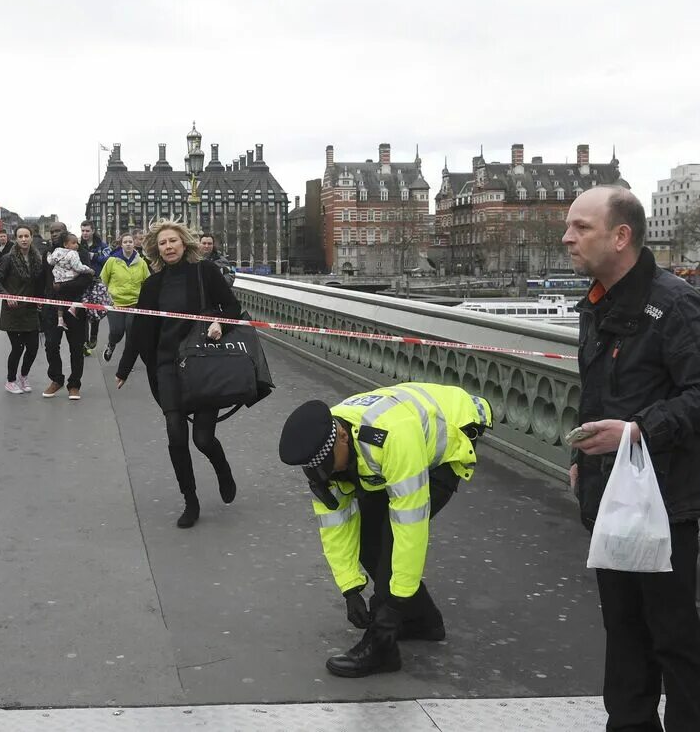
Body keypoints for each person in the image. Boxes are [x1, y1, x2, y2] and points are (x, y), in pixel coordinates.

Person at [564, 186, 700, 732]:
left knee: (671, 634)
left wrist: (636, 433)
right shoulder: (599, 302)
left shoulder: (676, 304)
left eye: (581, 227)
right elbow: (603, 391)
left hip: (663, 500)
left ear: (621, 236)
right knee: (623, 630)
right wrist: (584, 458)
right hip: (610, 492)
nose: (567, 237)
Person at [278, 384, 492, 678]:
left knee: (391, 539)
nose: (323, 475)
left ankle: (382, 648)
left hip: (450, 435)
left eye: (327, 465)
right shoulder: (325, 443)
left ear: (342, 437)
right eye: (314, 469)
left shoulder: (391, 438)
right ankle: (423, 622)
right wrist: (350, 588)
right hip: (393, 441)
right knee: (369, 538)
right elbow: (335, 525)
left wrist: (392, 606)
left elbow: (409, 528)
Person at [115, 220, 240, 528]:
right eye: (162, 243)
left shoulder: (205, 273)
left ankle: (221, 467)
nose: (168, 246)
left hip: (201, 362)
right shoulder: (153, 284)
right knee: (175, 435)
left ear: (184, 243)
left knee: (202, 438)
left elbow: (233, 308)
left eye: (173, 241)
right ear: (156, 250)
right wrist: (125, 368)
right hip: (167, 365)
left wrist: (220, 323)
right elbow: (140, 328)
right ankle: (190, 500)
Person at [40, 223, 91, 400]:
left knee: (76, 347)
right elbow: (43, 278)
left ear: (65, 233)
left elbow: (87, 278)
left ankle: (74, 384)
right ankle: (56, 379)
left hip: (75, 305)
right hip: (52, 305)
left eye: (57, 231)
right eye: (52, 231)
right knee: (51, 345)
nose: (54, 234)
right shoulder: (49, 254)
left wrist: (63, 287)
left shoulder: (80, 252)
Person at [0, 225, 43, 394]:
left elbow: (39, 283)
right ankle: (10, 380)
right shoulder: (8, 258)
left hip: (30, 309)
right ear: (16, 238)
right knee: (17, 347)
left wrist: (41, 299)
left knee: (33, 347)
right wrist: (7, 296)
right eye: (20, 236)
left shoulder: (37, 258)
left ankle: (24, 376)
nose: (23, 239)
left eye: (26, 236)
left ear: (31, 237)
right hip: (12, 310)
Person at [99, 233, 149, 362]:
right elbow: (103, 280)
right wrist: (105, 298)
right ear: (121, 245)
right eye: (125, 242)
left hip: (134, 303)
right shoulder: (112, 261)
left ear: (134, 244)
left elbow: (147, 282)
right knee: (117, 331)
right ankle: (111, 344)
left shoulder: (141, 262)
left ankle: (126, 360)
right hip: (115, 302)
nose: (128, 244)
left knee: (131, 333)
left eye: (130, 242)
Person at [48, 232, 94, 328]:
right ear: (66, 244)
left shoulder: (57, 251)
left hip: (57, 279)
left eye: (77, 243)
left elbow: (51, 261)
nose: (76, 245)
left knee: (60, 300)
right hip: (69, 278)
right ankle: (73, 307)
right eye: (73, 243)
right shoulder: (73, 254)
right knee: (84, 292)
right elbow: (78, 267)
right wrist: (89, 270)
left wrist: (48, 255)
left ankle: (60, 320)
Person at [80, 221, 110, 353]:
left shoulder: (102, 245)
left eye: (87, 231)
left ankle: (93, 337)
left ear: (93, 231)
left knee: (96, 311)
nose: (85, 233)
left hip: (97, 282)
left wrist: (94, 256)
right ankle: (85, 342)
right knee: (84, 311)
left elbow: (108, 259)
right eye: (83, 231)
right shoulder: (79, 245)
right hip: (82, 282)